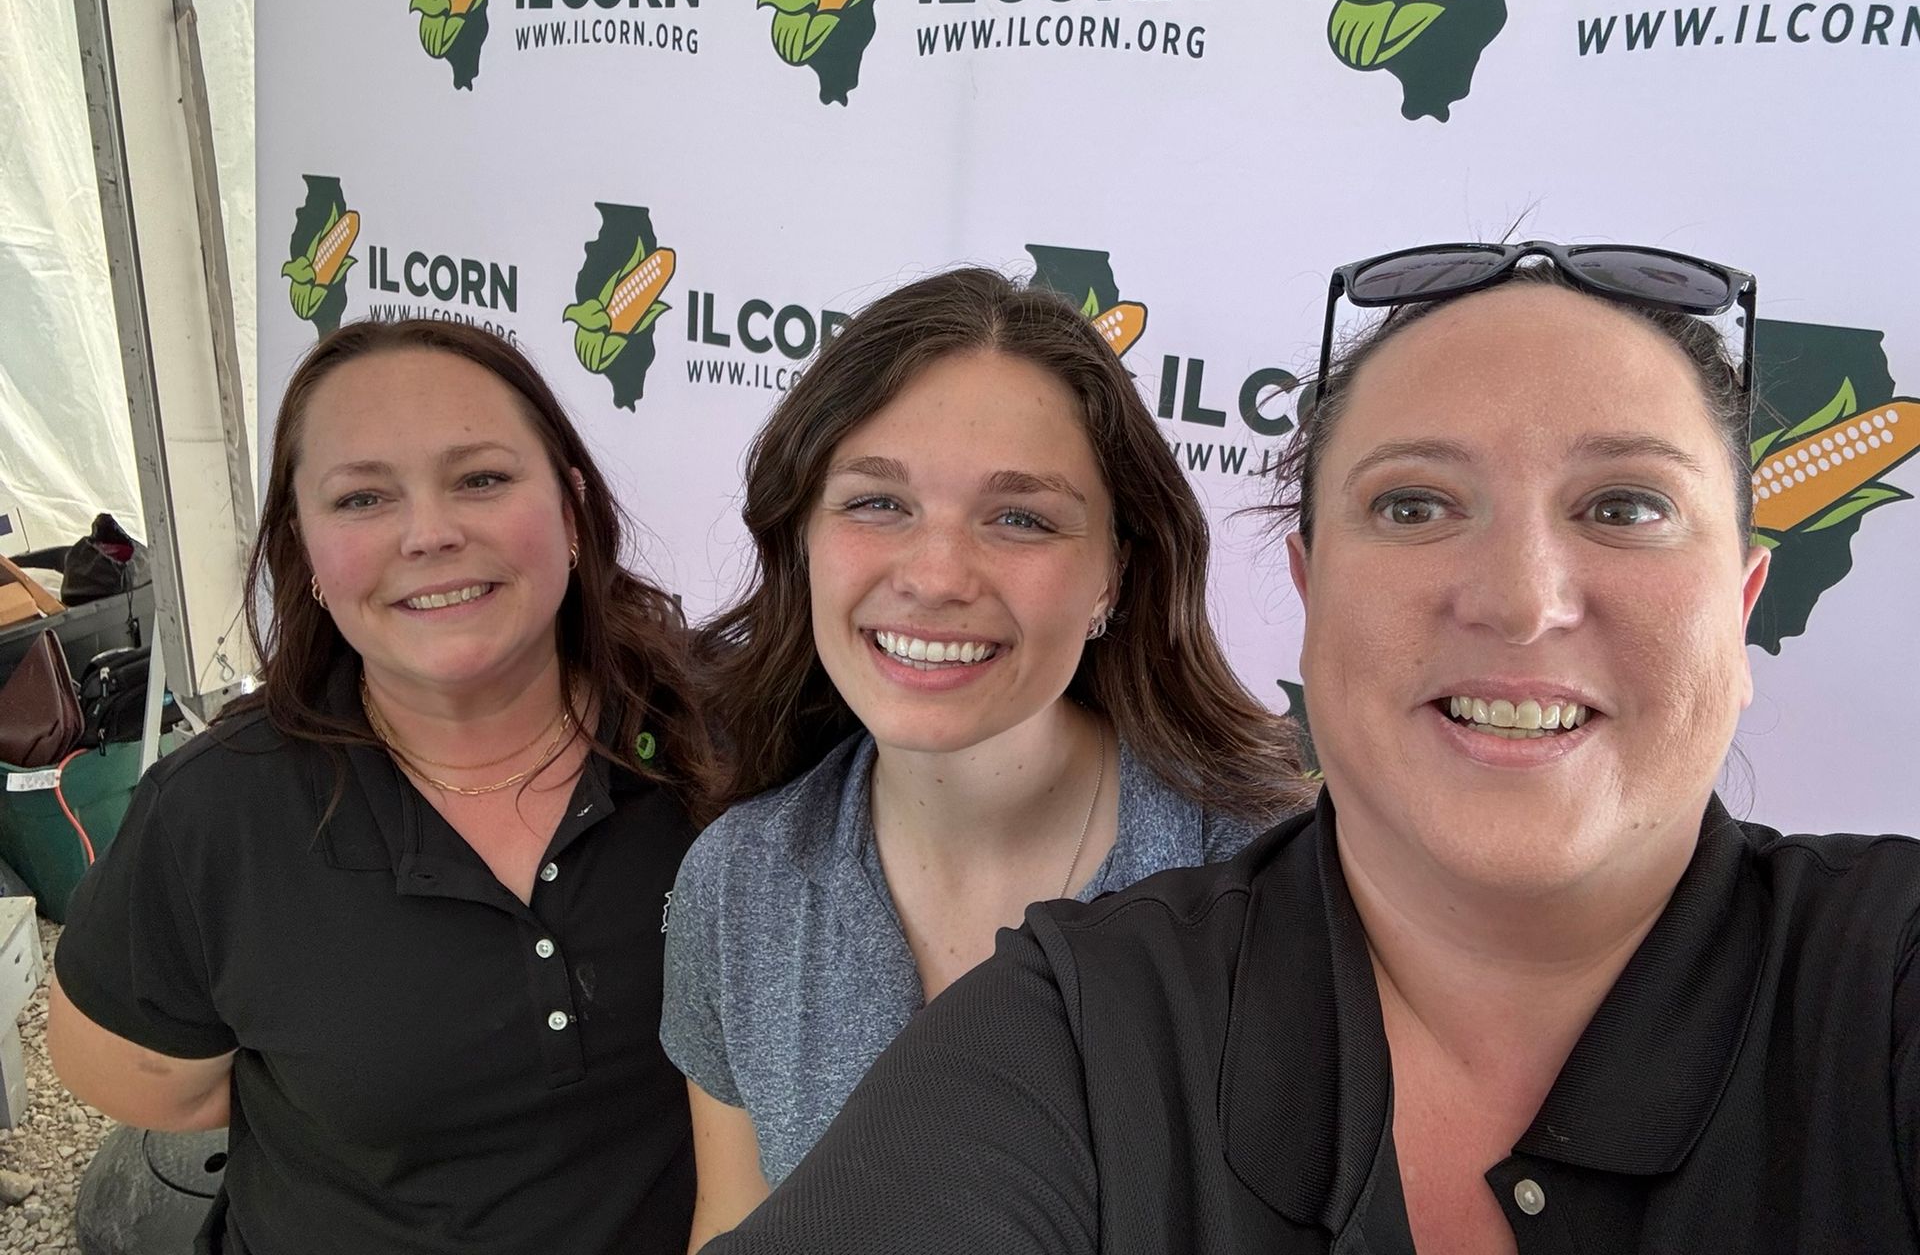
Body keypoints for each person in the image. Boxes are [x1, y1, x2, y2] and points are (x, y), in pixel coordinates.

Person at [702, 242, 1920, 1254]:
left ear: (1745, 603)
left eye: (1625, 507)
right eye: (1414, 504)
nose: (1518, 596)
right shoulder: (1083, 1017)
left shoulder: (1882, 982)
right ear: (1309, 585)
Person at [662, 267, 1309, 1245]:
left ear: (1114, 576)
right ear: (802, 538)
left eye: (1020, 518)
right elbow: (736, 1221)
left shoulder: (1274, 889)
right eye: (878, 502)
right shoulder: (738, 881)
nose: (935, 576)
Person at [49, 318, 717, 1255]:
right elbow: (144, 1079)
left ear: (570, 509)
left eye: (481, 478)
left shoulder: (716, 754)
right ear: (308, 551)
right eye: (363, 498)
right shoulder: (215, 813)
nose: (431, 534)